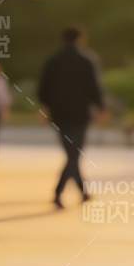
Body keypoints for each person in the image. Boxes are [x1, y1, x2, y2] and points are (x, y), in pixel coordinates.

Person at [37, 27, 105, 208]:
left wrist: (45, 108)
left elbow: (43, 90)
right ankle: (64, 192)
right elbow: (94, 88)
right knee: (74, 154)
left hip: (59, 115)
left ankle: (73, 193)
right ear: (80, 39)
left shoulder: (53, 61)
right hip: (80, 114)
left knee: (72, 154)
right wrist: (100, 107)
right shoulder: (87, 61)